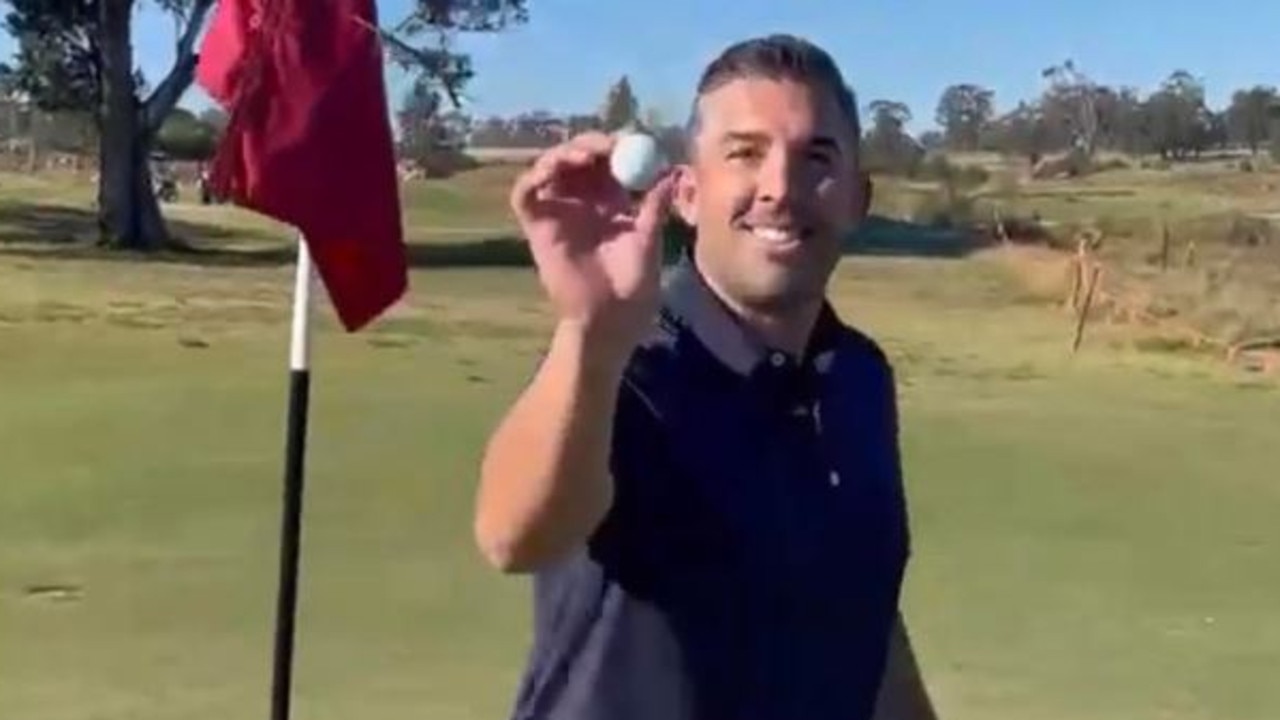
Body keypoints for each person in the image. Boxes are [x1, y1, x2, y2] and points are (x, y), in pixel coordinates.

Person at [476, 34, 938, 720]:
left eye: (816, 158)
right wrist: (591, 335)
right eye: (745, 154)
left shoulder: (860, 378)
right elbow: (514, 537)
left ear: (856, 199)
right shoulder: (630, 361)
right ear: (686, 193)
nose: (780, 188)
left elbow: (863, 613)